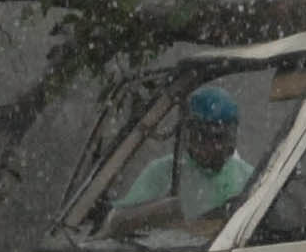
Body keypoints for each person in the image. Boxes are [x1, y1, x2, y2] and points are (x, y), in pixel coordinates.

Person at [104, 85, 259, 239]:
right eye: (208, 137)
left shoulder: (250, 178)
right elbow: (116, 222)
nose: (217, 147)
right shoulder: (162, 173)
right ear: (190, 135)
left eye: (224, 137)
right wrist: (158, 211)